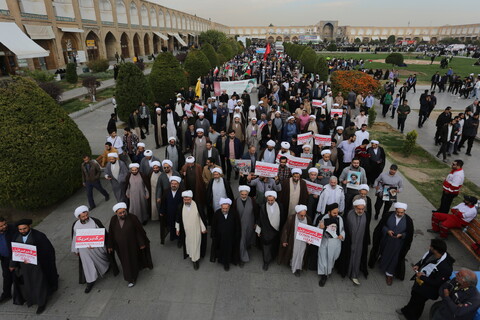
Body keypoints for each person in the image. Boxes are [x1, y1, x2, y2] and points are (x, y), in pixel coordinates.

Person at [397, 239, 455, 320]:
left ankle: (412, 317)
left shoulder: (446, 268)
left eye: (431, 246)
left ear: (436, 250)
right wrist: (418, 265)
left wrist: (422, 277)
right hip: (420, 283)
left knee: (419, 303)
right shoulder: (433, 253)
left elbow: (437, 282)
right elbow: (423, 261)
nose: (429, 247)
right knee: (414, 297)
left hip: (428, 290)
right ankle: (406, 310)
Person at [9, 219, 58, 314]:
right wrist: (12, 264)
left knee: (39, 284)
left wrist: (34, 258)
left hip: (37, 267)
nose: (23, 231)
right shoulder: (16, 237)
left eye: (25, 228)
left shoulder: (39, 236)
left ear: (29, 227)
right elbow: (14, 251)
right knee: (27, 284)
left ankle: (41, 303)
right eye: (20, 229)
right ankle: (31, 299)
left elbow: (48, 251)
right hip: (23, 267)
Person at [71, 206, 115, 293]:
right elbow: (75, 237)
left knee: (102, 260)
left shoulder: (95, 221)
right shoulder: (76, 225)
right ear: (78, 217)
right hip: (84, 250)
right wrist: (76, 250)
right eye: (83, 217)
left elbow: (103, 234)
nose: (86, 217)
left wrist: (97, 243)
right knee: (87, 265)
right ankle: (90, 281)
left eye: (87, 215)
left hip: (97, 248)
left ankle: (106, 267)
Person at [107, 203, 153, 288]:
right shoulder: (113, 220)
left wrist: (141, 243)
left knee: (131, 261)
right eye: (120, 213)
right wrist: (110, 245)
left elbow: (139, 231)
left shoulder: (132, 218)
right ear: (116, 213)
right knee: (125, 262)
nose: (123, 214)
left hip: (132, 246)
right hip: (120, 248)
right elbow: (111, 233)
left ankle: (131, 278)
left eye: (124, 212)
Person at [368, 202, 414, 286]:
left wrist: (402, 235)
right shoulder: (388, 215)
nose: (400, 214)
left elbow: (409, 233)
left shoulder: (408, 220)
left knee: (395, 259)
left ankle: (390, 274)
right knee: (384, 254)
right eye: (398, 212)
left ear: (404, 211)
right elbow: (381, 226)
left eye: (402, 212)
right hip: (386, 241)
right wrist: (387, 231)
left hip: (398, 244)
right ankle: (382, 265)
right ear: (395, 210)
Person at [337, 199, 371, 286]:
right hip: (349, 242)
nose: (361, 211)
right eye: (359, 209)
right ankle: (347, 271)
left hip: (360, 243)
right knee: (348, 256)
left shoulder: (366, 215)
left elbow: (367, 229)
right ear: (355, 207)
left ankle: (354, 273)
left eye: (362, 209)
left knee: (358, 257)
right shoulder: (349, 214)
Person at [175, 190, 207, 270]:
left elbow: (201, 218)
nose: (186, 201)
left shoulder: (197, 205)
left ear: (191, 198)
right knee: (189, 244)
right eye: (185, 199)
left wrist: (203, 228)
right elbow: (178, 219)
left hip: (196, 231)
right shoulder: (180, 206)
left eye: (188, 199)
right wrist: (178, 228)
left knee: (196, 244)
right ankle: (191, 255)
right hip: (186, 232)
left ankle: (195, 261)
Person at [256, 191, 287, 271]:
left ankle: (273, 257)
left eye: (271, 200)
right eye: (268, 200)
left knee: (274, 246)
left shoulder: (280, 206)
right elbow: (259, 219)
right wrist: (258, 230)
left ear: (275, 199)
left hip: (276, 230)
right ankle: (266, 262)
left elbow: (283, 218)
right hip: (266, 230)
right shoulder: (263, 207)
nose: (270, 202)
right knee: (266, 246)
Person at [277, 205, 311, 276]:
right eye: (301, 215)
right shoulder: (291, 218)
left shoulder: (308, 219)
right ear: (297, 213)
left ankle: (298, 268)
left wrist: (310, 240)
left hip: (303, 242)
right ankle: (293, 265)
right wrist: (284, 240)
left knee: (301, 254)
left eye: (304, 215)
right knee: (294, 253)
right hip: (294, 240)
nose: (303, 217)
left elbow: (311, 231)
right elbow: (285, 230)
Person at [210, 198, 241, 271]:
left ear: (229, 207)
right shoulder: (217, 213)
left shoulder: (234, 213)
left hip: (231, 237)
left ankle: (232, 260)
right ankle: (225, 263)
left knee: (232, 249)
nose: (225, 210)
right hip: (221, 238)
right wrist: (213, 235)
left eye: (226, 208)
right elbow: (214, 225)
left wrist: (237, 235)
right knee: (222, 251)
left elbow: (237, 225)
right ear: (221, 206)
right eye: (223, 208)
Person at [317, 203, 344, 287]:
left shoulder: (339, 219)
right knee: (323, 259)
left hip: (335, 242)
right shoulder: (323, 218)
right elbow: (317, 232)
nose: (336, 215)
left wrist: (342, 235)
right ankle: (323, 276)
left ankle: (328, 272)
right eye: (334, 213)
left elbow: (342, 229)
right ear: (329, 212)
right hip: (325, 242)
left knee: (331, 259)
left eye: (337, 213)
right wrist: (320, 228)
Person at [234, 185, 258, 266]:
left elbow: (256, 212)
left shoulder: (252, 200)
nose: (244, 196)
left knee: (248, 237)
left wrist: (256, 223)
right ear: (240, 193)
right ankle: (243, 258)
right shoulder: (236, 201)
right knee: (241, 241)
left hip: (250, 224)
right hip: (240, 225)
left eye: (245, 194)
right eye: (242, 194)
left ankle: (247, 245)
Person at [159, 176, 183, 245]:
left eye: (175, 184)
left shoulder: (182, 192)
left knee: (179, 226)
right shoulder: (166, 191)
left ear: (178, 184)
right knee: (171, 225)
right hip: (169, 213)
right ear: (170, 184)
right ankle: (172, 237)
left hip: (178, 214)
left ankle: (179, 240)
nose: (173, 185)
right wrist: (161, 211)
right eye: (172, 183)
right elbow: (163, 202)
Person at [0, 217, 17, 303]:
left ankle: (20, 295)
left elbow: (17, 246)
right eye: (1, 226)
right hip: (4, 258)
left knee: (16, 276)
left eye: (5, 224)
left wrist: (12, 263)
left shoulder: (13, 229)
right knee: (6, 276)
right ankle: (6, 294)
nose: (4, 227)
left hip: (14, 257)